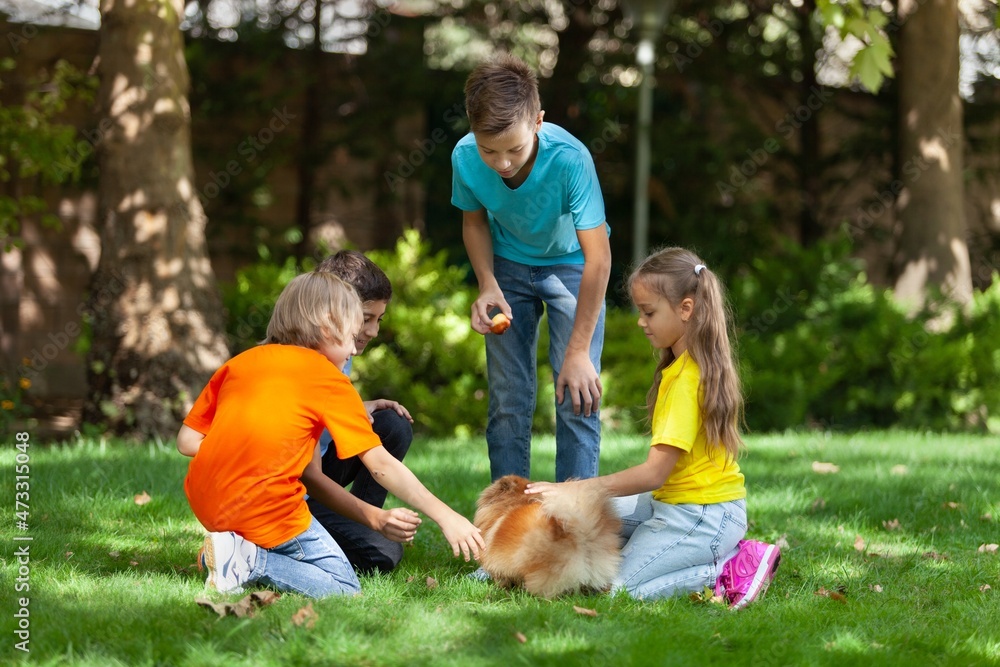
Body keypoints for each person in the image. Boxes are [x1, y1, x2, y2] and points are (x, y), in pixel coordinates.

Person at [177, 271, 484, 598]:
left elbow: (187, 441)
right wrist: (446, 516)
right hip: (267, 508)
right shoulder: (329, 381)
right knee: (344, 587)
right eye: (351, 337)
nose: (355, 349)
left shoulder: (241, 363)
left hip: (207, 501)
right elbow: (380, 464)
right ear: (326, 327)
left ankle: (227, 549)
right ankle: (252, 562)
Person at [525, 248, 780, 608]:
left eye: (649, 312)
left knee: (615, 590)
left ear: (686, 309)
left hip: (701, 517)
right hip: (672, 504)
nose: (641, 322)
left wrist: (580, 490)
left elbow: (654, 473)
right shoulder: (681, 366)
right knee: (583, 526)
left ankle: (728, 567)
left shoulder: (686, 381)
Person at [451, 52, 611, 483]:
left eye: (514, 149)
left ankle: (573, 524)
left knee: (576, 394)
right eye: (490, 150)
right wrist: (487, 283)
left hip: (573, 266)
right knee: (508, 400)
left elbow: (599, 257)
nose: (502, 163)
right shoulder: (465, 157)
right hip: (506, 266)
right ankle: (509, 519)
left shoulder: (570, 159)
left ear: (538, 121)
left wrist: (577, 352)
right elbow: (473, 221)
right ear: (472, 129)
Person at [309, 249, 415, 574]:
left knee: (392, 425)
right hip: (295, 483)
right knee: (382, 555)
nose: (373, 331)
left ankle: (355, 523)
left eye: (379, 320)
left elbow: (331, 400)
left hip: (317, 471)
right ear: (335, 309)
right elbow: (305, 468)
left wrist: (357, 406)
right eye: (367, 318)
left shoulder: (343, 351)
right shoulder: (307, 360)